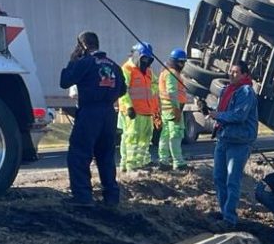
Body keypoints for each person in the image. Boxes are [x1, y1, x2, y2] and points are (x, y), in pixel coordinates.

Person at [59, 31, 126, 207]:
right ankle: (111, 197)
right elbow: (123, 90)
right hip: (109, 114)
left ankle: (83, 197)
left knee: (79, 155)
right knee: (105, 156)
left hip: (90, 112)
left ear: (83, 46)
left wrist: (73, 60)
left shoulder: (85, 63)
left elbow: (65, 81)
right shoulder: (114, 66)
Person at [210, 60, 258, 229]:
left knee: (232, 180)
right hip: (223, 139)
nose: (231, 74)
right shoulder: (226, 90)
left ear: (245, 75)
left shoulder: (246, 91)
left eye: (236, 72)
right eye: (231, 71)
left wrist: (218, 116)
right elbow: (222, 112)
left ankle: (229, 219)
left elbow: (239, 116)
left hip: (239, 143)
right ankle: (224, 212)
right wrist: (210, 111)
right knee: (218, 177)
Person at [117, 42, 159, 172]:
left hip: (146, 111)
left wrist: (154, 108)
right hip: (133, 112)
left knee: (145, 138)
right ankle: (130, 165)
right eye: (144, 58)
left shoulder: (149, 72)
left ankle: (141, 162)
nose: (146, 62)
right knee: (132, 137)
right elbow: (123, 90)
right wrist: (129, 106)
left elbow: (155, 85)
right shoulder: (127, 69)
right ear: (136, 56)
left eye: (149, 59)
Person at [157, 48, 190, 172]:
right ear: (175, 61)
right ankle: (178, 162)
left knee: (165, 135)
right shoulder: (171, 73)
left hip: (167, 109)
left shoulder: (165, 72)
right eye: (181, 62)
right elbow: (172, 92)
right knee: (176, 135)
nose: (183, 65)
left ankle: (164, 161)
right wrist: (176, 108)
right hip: (173, 109)